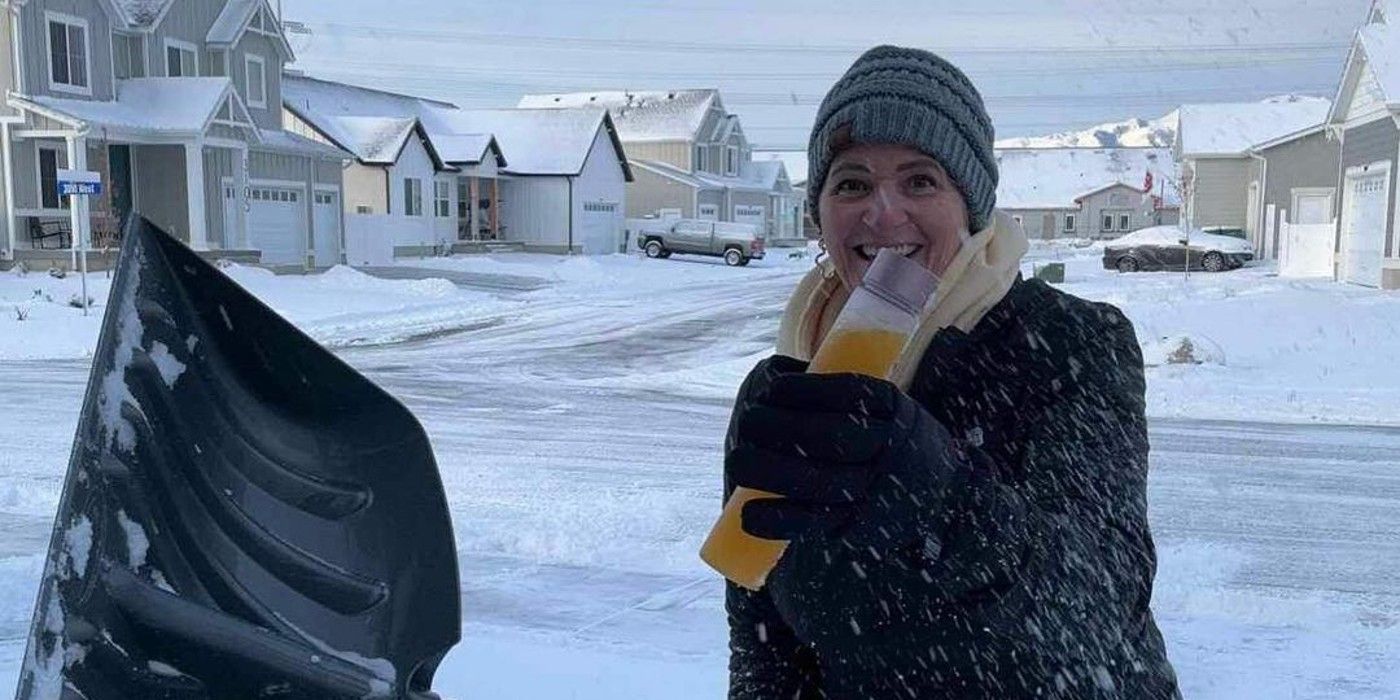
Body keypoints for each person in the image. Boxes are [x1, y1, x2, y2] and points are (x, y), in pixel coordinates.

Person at [722, 45, 1181, 699]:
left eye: (920, 181)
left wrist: (931, 490)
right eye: (851, 182)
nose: (882, 213)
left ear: (971, 206)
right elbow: (763, 639)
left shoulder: (1069, 345)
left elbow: (1098, 604)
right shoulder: (781, 391)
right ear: (819, 212)